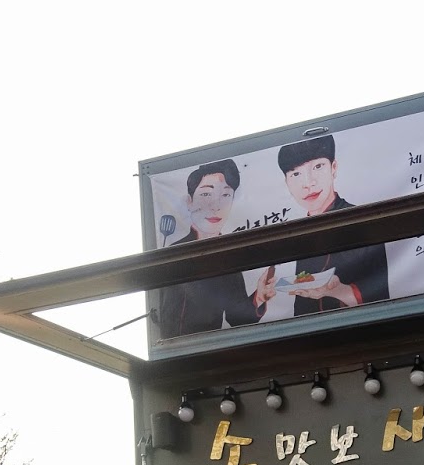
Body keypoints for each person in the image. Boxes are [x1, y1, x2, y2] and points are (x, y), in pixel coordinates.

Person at [253, 135, 390, 317]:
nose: (308, 183)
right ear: (286, 182)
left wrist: (338, 291)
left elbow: (382, 299)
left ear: (334, 168)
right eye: (296, 174)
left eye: (318, 167)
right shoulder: (297, 232)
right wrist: (261, 295)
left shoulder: (362, 220)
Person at [157, 160, 261, 337]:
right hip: (174, 350)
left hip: (208, 349)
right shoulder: (174, 253)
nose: (216, 206)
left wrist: (260, 296)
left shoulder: (227, 258)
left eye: (226, 195)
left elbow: (238, 318)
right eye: (206, 194)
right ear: (189, 201)